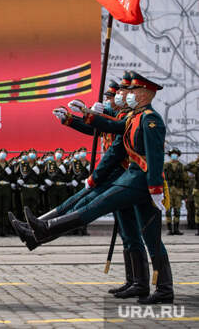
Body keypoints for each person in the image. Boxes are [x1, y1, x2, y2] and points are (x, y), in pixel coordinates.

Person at [17, 72, 174, 304]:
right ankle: (146, 285)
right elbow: (113, 125)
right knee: (145, 235)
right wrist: (84, 114)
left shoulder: (151, 120)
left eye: (131, 92)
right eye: (126, 92)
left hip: (139, 180)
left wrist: (156, 188)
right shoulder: (135, 118)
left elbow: (154, 156)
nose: (127, 95)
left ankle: (45, 228)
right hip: (133, 178)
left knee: (97, 207)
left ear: (143, 94)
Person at [163, 148, 187, 235]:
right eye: (172, 154)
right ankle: (169, 229)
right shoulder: (165, 165)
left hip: (178, 191)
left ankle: (176, 229)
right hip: (168, 191)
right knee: (168, 210)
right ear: (170, 155)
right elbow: (162, 178)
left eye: (175, 154)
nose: (174, 155)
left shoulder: (181, 166)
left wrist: (185, 193)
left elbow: (185, 180)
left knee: (177, 210)